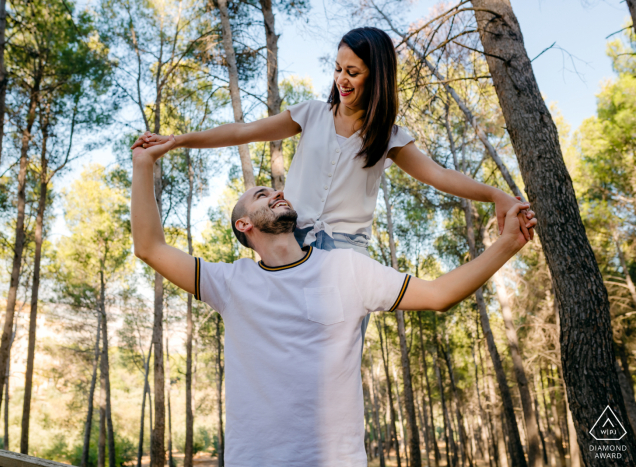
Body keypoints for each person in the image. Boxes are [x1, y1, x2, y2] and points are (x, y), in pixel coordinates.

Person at [131, 138, 537, 466]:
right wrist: (144, 165)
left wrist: (508, 244)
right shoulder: (231, 283)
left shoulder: (348, 269)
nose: (276, 192)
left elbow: (438, 295)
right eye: (261, 193)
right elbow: (149, 247)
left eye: (276, 190)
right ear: (244, 224)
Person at [131, 26, 535, 340]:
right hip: (292, 243)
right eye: (338, 69)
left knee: (331, 347)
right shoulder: (310, 114)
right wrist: (178, 141)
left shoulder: (389, 137)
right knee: (281, 335)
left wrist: (496, 195)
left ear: (376, 77)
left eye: (353, 72)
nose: (342, 79)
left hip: (345, 254)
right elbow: (244, 131)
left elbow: (439, 176)